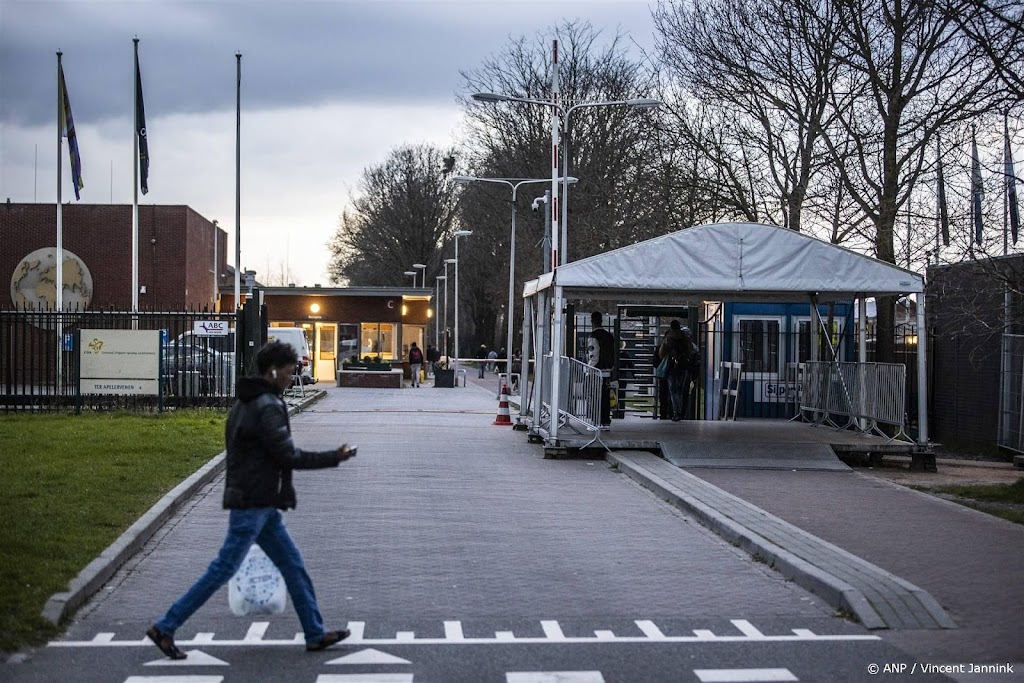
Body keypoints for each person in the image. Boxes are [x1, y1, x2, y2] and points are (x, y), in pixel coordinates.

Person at [146, 341, 356, 660]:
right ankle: (166, 625)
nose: (292, 376)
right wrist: (334, 457)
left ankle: (315, 633)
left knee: (293, 566)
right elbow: (287, 455)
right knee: (223, 568)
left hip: (261, 503)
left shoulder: (246, 402)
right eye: (288, 371)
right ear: (272, 371)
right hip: (253, 503)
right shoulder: (267, 405)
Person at [659, 320, 699, 421]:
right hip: (683, 366)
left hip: (671, 367)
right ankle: (680, 412)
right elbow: (691, 351)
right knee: (680, 390)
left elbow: (661, 353)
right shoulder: (686, 338)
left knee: (673, 390)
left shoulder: (668, 338)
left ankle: (677, 412)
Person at [586, 311, 616, 427]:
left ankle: (596, 421)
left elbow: (593, 355)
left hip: (596, 371)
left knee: (594, 396)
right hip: (607, 371)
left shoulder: (593, 336)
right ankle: (605, 421)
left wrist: (589, 369)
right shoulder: (609, 336)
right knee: (605, 397)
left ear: (592, 321)